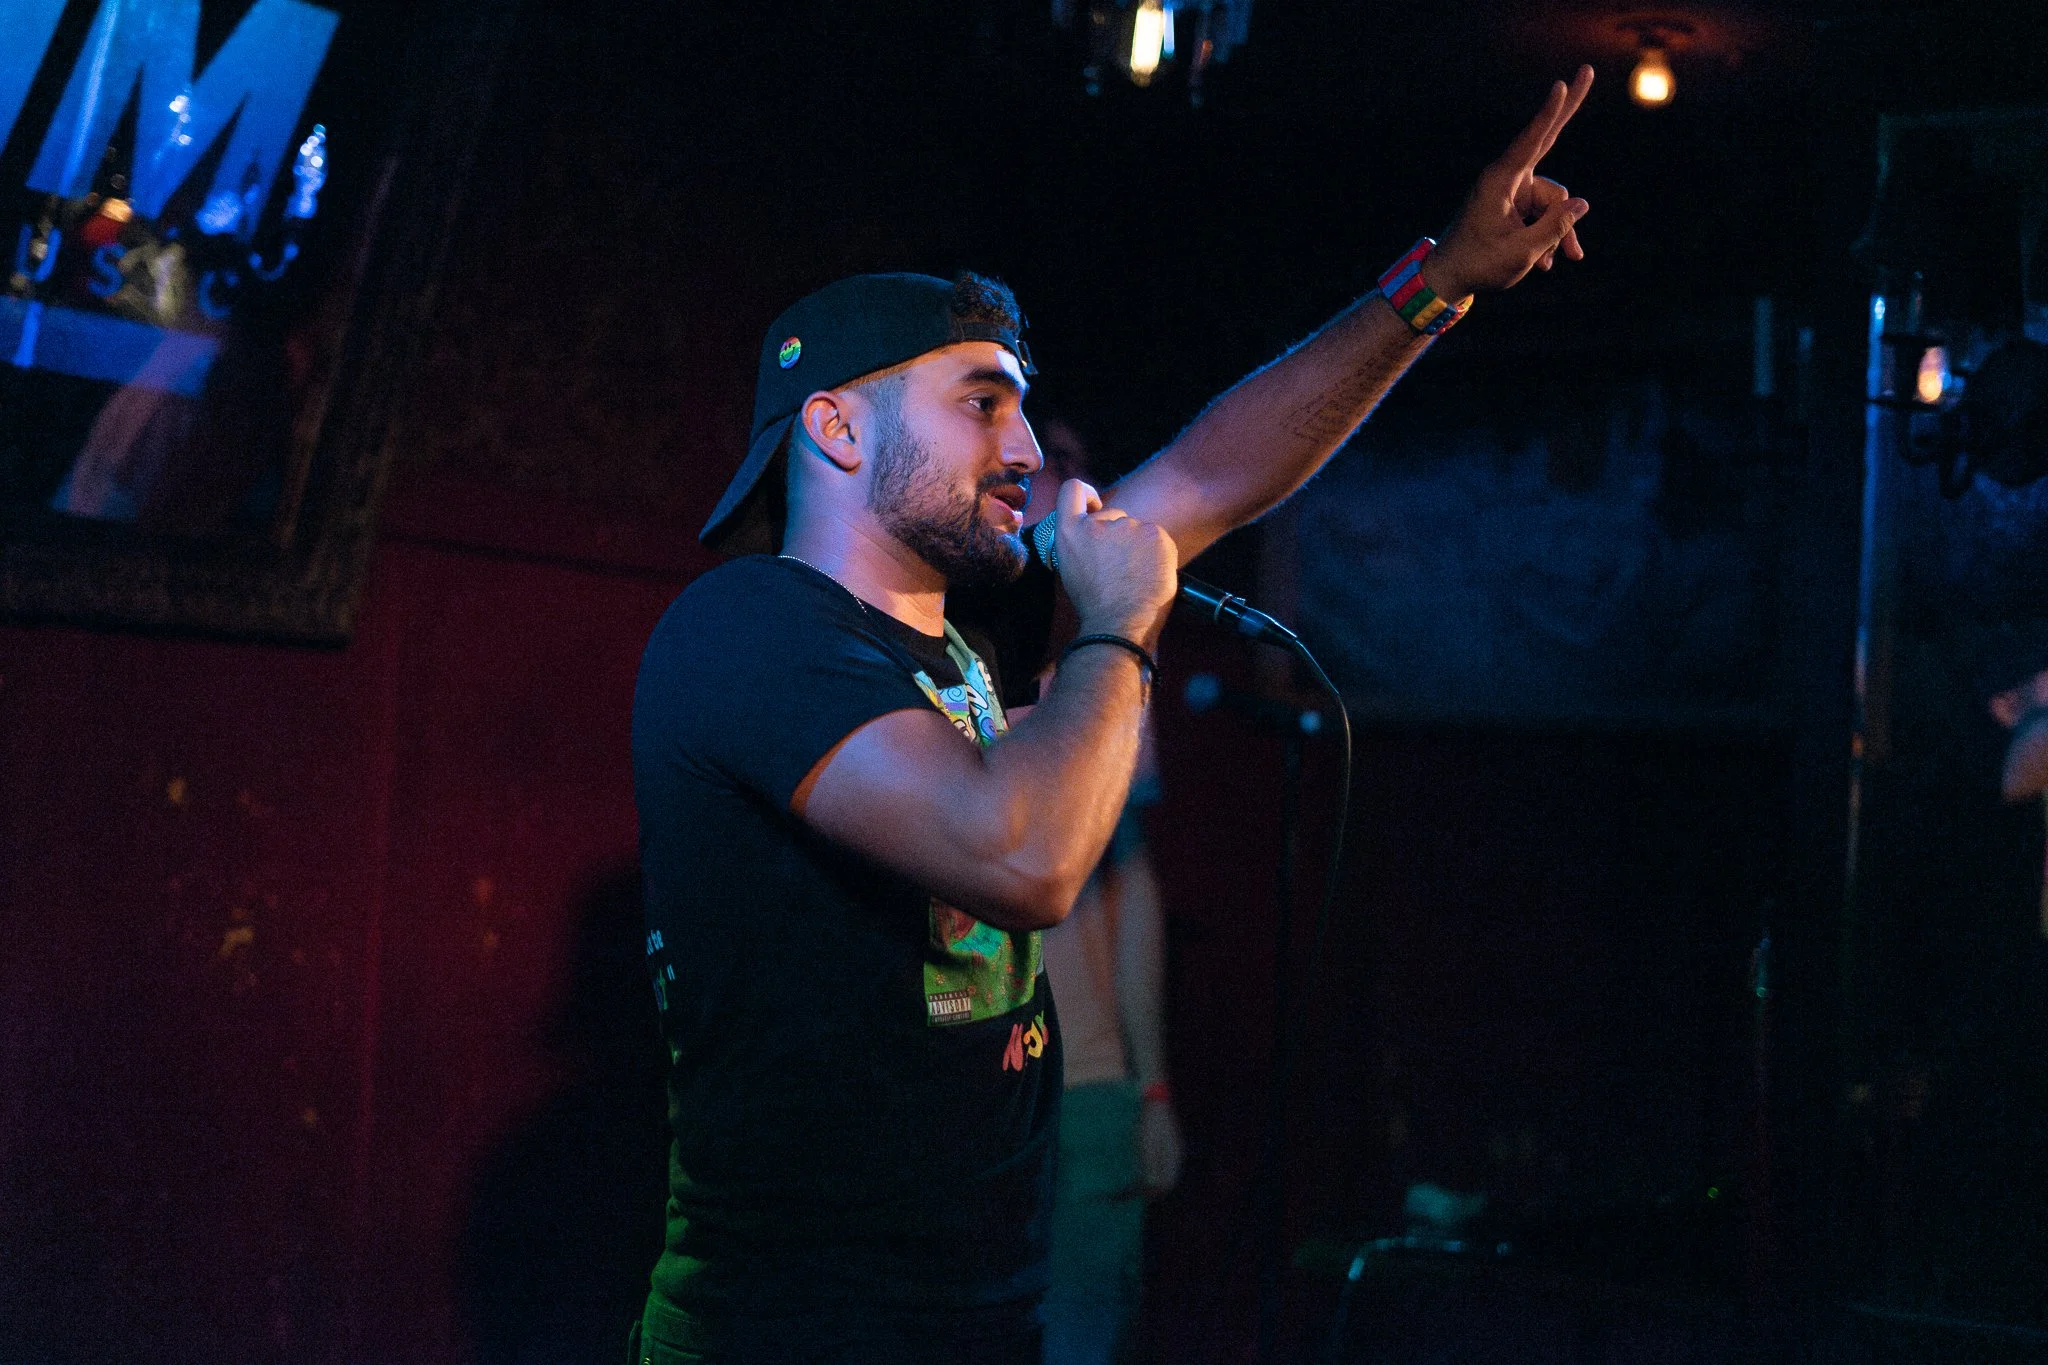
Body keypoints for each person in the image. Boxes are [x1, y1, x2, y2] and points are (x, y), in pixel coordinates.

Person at [630, 68, 1595, 1365]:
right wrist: (1120, 623)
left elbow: (1207, 475)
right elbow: (1022, 858)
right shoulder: (749, 629)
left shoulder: (977, 623)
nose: (1028, 449)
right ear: (836, 427)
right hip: (794, 1330)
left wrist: (1437, 284)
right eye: (983, 401)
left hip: (975, 1311)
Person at [1024, 421, 1183, 1365]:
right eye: (1056, 465)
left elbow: (1130, 885)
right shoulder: (926, 641)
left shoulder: (1108, 659)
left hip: (1088, 1092)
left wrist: (1150, 1085)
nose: (1075, 487)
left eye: (1084, 468)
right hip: (966, 1089)